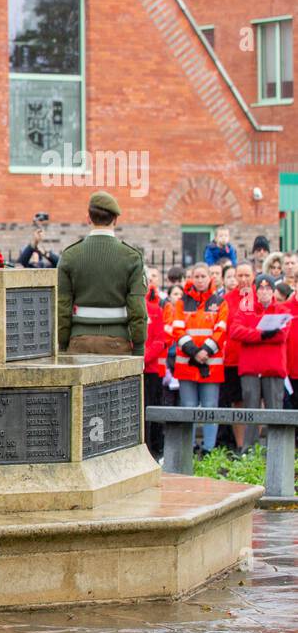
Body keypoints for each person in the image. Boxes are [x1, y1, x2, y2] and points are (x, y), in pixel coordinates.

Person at [56, 191, 146, 355]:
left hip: (78, 342)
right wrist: (139, 347)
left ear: (88, 218)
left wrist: (62, 344)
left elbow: (62, 306)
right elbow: (137, 308)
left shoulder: (69, 256)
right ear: (115, 220)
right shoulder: (131, 257)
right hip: (117, 343)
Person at [166, 262, 228, 452]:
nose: (200, 280)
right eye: (197, 276)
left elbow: (221, 330)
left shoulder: (220, 302)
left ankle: (209, 448)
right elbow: (177, 329)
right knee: (188, 407)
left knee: (210, 407)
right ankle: (189, 447)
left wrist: (205, 351)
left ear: (210, 278)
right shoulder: (181, 302)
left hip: (211, 365)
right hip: (187, 364)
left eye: (203, 276)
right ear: (191, 278)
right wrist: (195, 351)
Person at [229, 276, 290, 449]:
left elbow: (282, 335)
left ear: (273, 291)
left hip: (273, 368)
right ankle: (249, 450)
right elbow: (235, 331)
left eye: (268, 288)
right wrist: (261, 334)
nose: (264, 291)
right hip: (251, 368)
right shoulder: (245, 310)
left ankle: (276, 449)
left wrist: (252, 335)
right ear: (255, 291)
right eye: (261, 288)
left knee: (274, 413)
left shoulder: (281, 310)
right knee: (251, 412)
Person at [221, 261, 255, 450]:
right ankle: (242, 446)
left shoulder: (259, 297)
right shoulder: (227, 299)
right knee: (238, 402)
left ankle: (253, 445)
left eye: (246, 275)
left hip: (255, 359)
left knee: (256, 402)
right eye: (239, 275)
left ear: (253, 276)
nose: (243, 279)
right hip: (233, 360)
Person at [143, 270, 168, 458]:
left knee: (151, 410)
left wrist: (143, 358)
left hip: (150, 369)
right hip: (136, 367)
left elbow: (160, 340)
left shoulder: (155, 309)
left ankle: (154, 449)